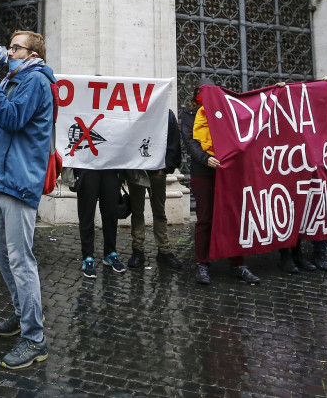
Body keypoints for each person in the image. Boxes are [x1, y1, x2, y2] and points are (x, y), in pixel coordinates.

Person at [0, 30, 56, 370]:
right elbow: (3, 132)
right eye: (9, 46)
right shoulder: (15, 77)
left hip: (20, 182)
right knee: (0, 252)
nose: (8, 51)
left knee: (21, 259)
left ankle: (35, 337)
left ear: (32, 52)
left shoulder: (36, 81)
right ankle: (22, 313)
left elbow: (10, 119)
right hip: (1, 183)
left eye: (15, 47)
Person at [181, 78, 260, 286]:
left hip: (228, 171)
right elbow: (190, 141)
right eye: (200, 92)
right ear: (195, 94)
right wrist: (206, 158)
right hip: (204, 171)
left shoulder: (227, 109)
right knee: (205, 218)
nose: (202, 95)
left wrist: (279, 90)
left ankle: (238, 264)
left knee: (233, 216)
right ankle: (202, 264)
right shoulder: (189, 115)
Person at [125, 110, 183, 271]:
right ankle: (138, 250)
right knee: (137, 210)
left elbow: (173, 139)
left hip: (157, 170)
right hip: (136, 169)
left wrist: (166, 168)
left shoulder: (166, 112)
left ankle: (164, 250)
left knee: (159, 211)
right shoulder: (133, 111)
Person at [75, 166, 127, 278]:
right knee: (87, 214)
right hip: (87, 169)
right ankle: (87, 256)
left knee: (111, 214)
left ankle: (110, 252)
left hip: (111, 170)